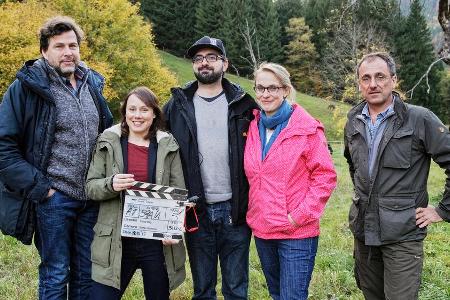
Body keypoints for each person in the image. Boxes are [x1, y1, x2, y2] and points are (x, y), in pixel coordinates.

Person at [0, 16, 113, 300]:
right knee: (56, 272)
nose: (68, 52)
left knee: (85, 272)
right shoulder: (27, 87)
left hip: (90, 198)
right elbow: (4, 146)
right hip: (54, 198)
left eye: (73, 45)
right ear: (44, 51)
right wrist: (43, 189)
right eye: (59, 46)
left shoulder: (92, 83)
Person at [344, 52, 450, 300]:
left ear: (393, 80)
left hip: (403, 234)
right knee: (372, 295)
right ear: (359, 84)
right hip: (364, 231)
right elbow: (354, 166)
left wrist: (444, 210)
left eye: (380, 76)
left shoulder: (419, 118)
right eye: (366, 78)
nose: (373, 84)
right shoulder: (353, 121)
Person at [163, 36, 258, 299]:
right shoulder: (177, 105)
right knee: (203, 289)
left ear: (225, 64)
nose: (204, 63)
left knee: (236, 288)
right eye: (198, 58)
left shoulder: (244, 104)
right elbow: (153, 144)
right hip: (196, 209)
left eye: (212, 57)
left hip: (236, 208)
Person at [244, 62, 337, 300]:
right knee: (277, 294)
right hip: (264, 229)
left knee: (292, 297)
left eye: (273, 88)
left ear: (285, 90)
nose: (266, 94)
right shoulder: (253, 126)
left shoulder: (307, 128)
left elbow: (325, 176)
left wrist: (298, 217)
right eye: (260, 88)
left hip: (296, 232)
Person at [86, 87, 186, 299]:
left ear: (154, 114)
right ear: (124, 112)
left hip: (156, 243)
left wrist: (173, 229)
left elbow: (178, 193)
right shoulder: (108, 141)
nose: (137, 115)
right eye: (132, 109)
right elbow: (90, 187)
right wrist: (110, 184)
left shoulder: (167, 145)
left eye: (144, 109)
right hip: (116, 240)